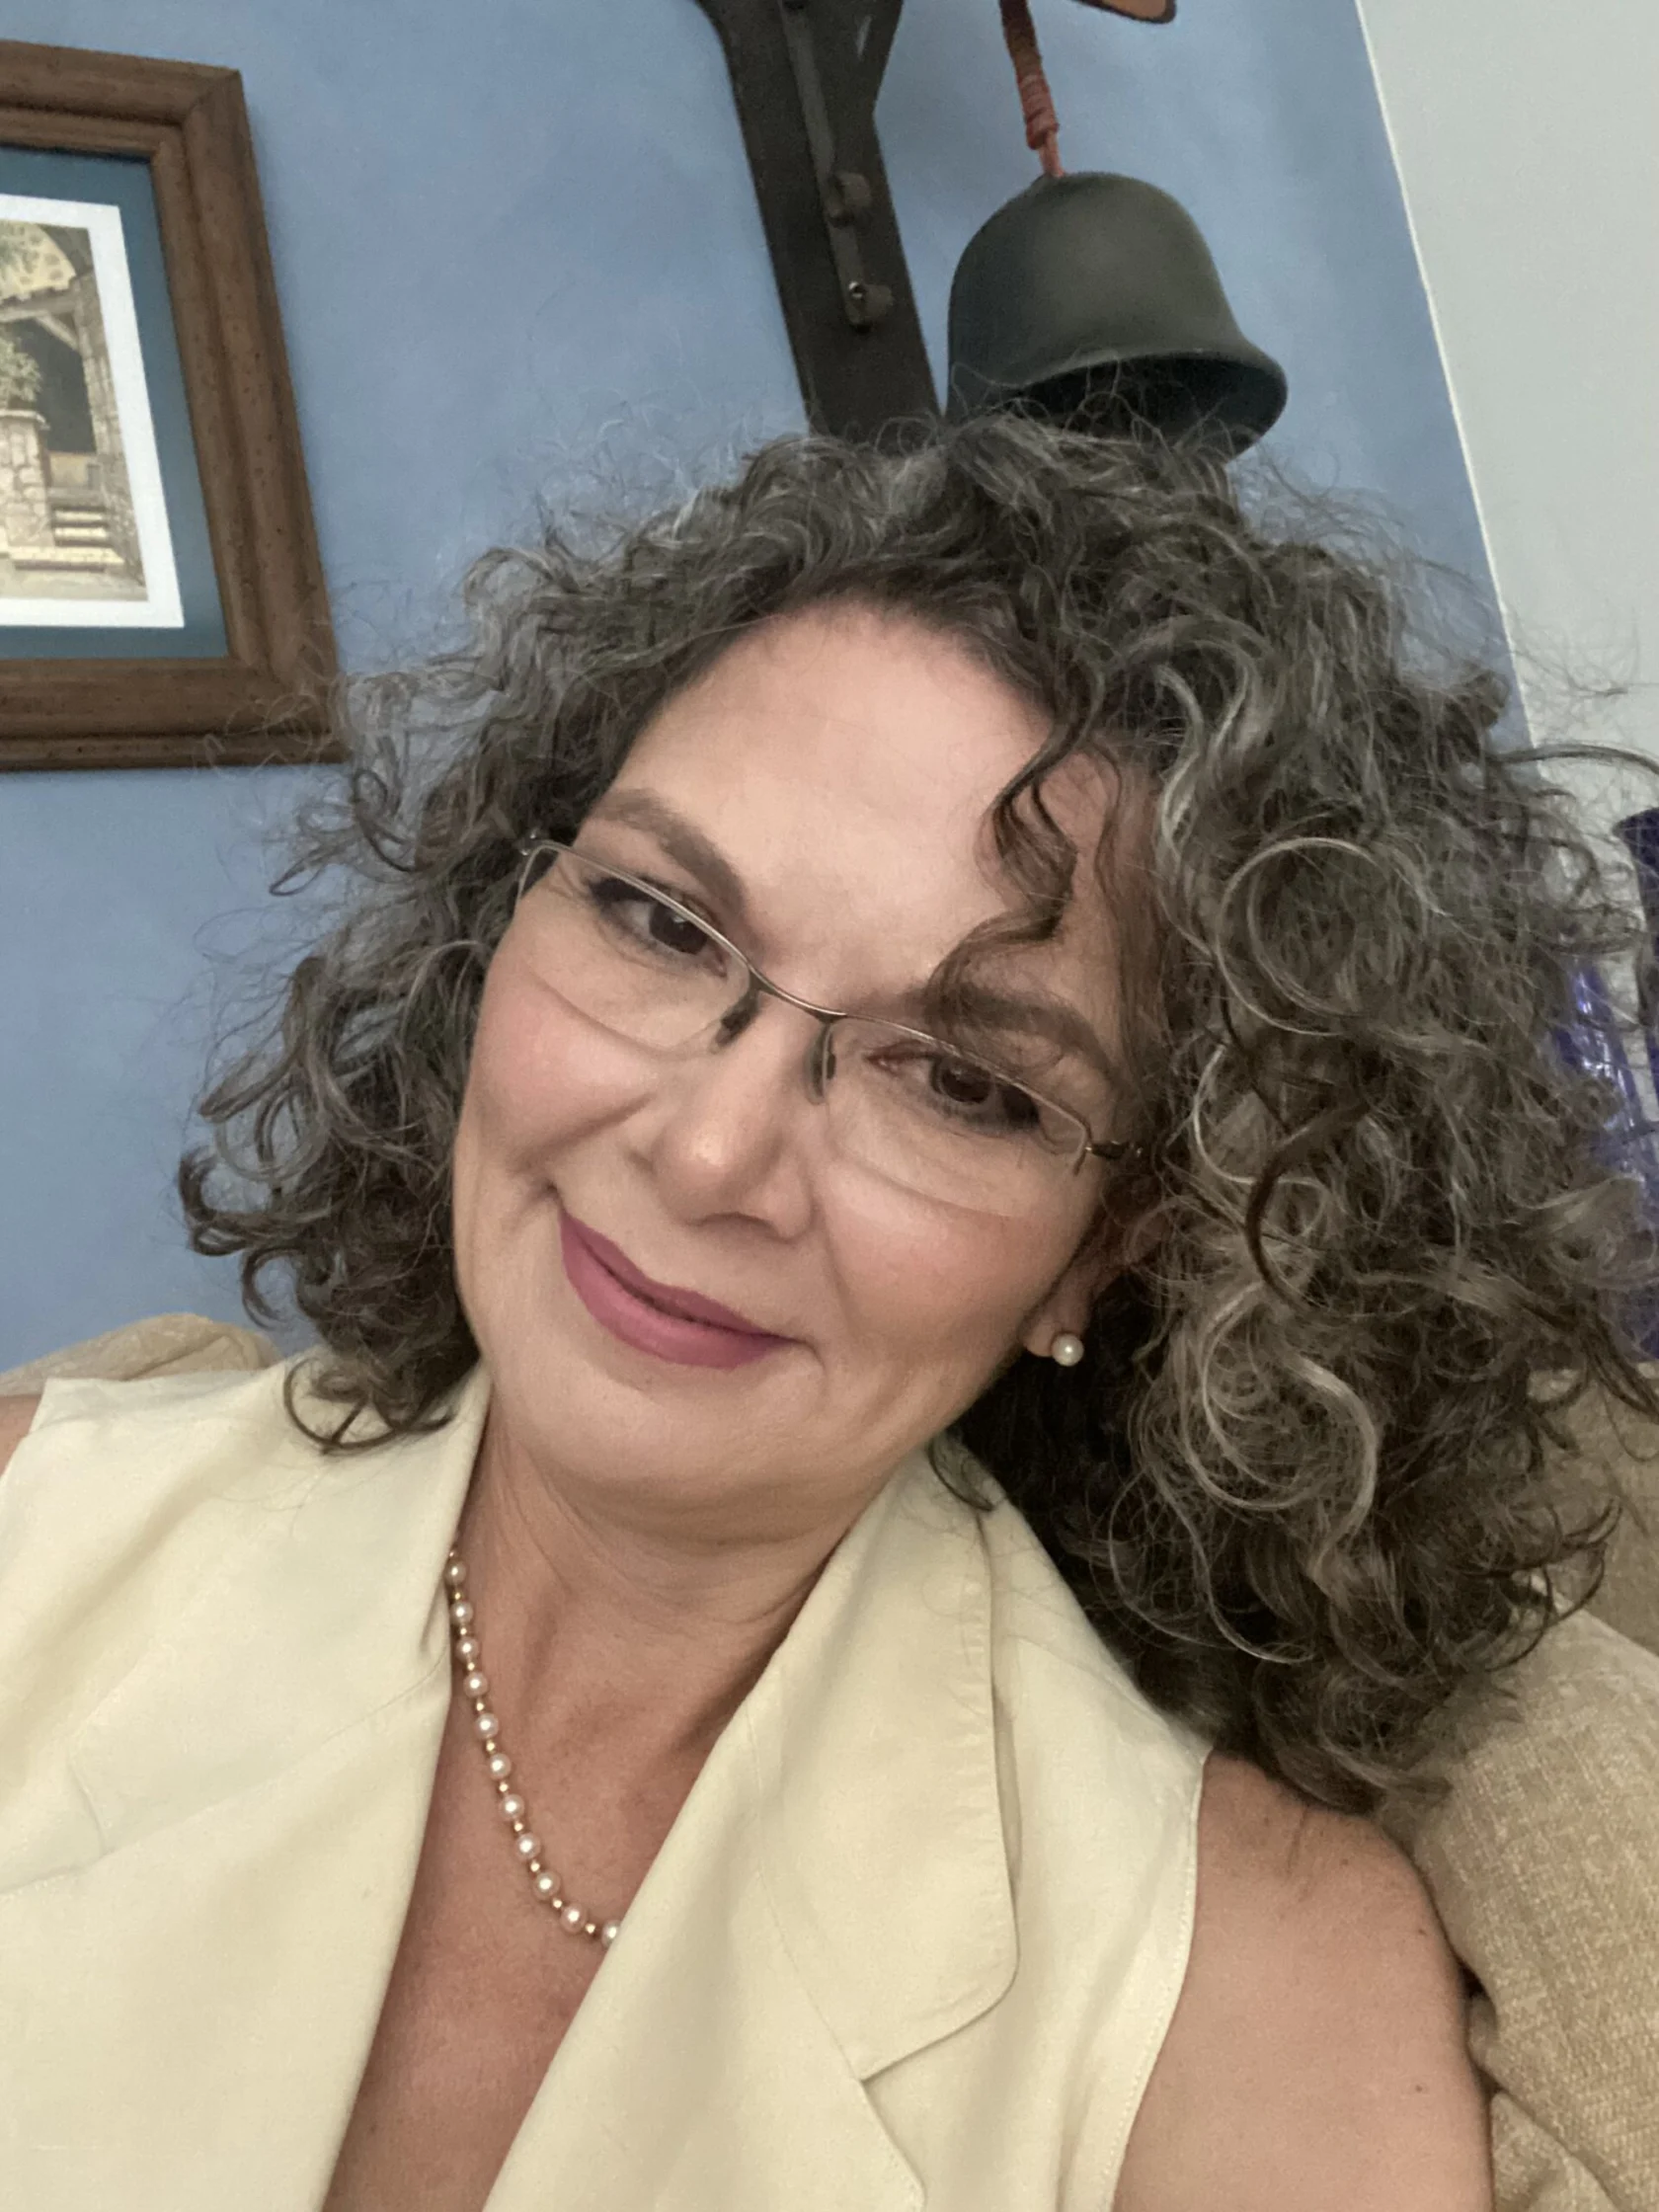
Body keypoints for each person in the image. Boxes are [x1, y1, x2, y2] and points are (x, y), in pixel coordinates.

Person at [2, 417, 1651, 2212]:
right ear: (500, 917)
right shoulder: (38, 1526)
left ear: (1112, 1252)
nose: (712, 1151)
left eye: (960, 1084)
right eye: (656, 920)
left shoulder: (1248, 1999)